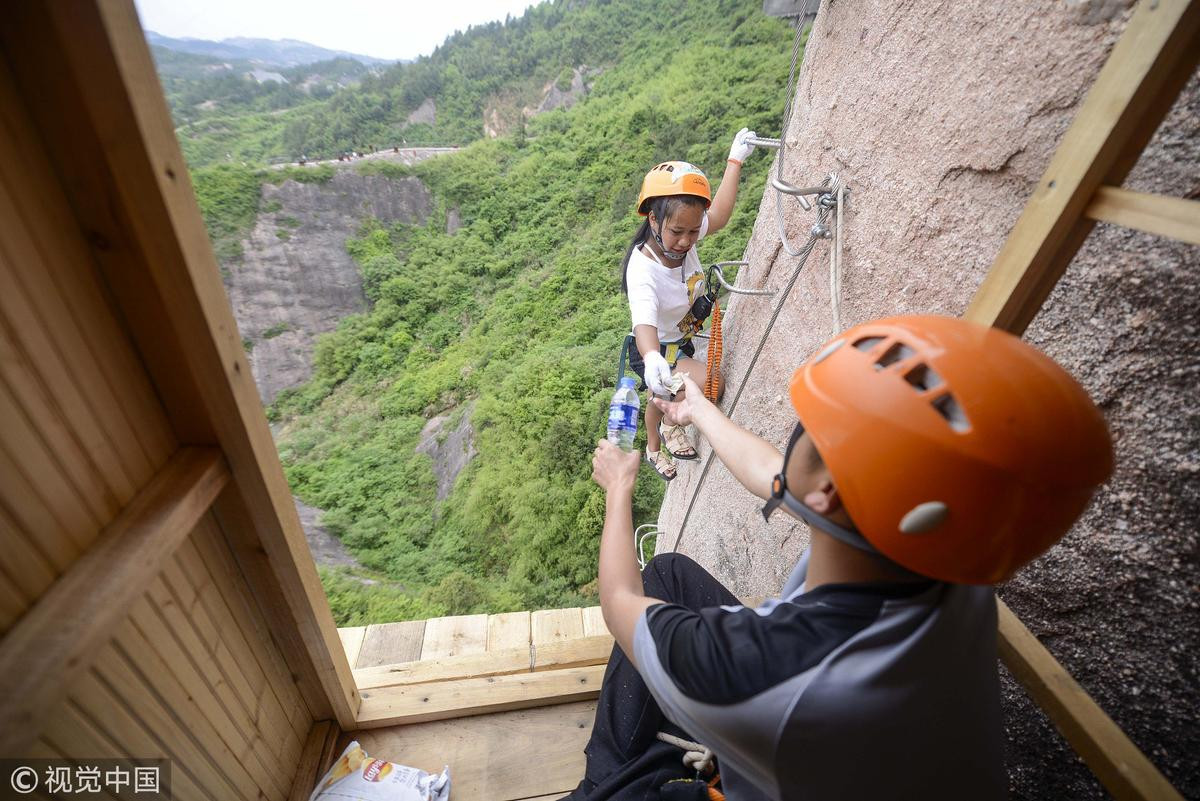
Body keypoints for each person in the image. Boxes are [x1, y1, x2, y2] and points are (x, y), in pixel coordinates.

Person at [570, 315, 1114, 800]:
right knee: (667, 573)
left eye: (808, 429)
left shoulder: (752, 670)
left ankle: (597, 789)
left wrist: (620, 487)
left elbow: (621, 604)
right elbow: (781, 478)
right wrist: (702, 413)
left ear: (827, 492)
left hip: (795, 709)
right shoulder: (947, 546)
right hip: (867, 750)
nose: (794, 436)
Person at [621, 129, 759, 481]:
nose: (685, 241)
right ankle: (658, 441)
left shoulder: (685, 228)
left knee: (666, 391)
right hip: (658, 347)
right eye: (677, 232)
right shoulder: (643, 270)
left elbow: (723, 214)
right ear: (653, 220)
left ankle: (666, 425)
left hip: (680, 337)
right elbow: (644, 323)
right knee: (712, 387)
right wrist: (652, 357)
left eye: (693, 232)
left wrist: (735, 161)